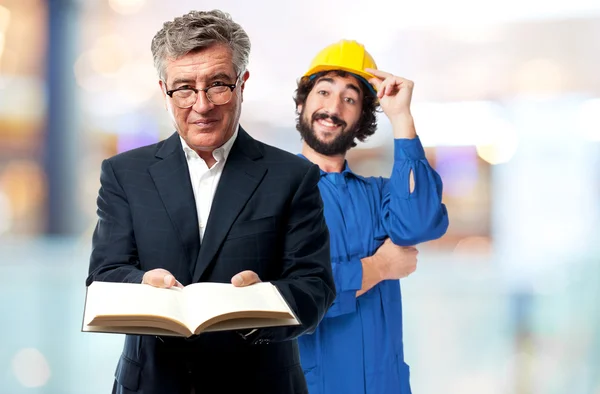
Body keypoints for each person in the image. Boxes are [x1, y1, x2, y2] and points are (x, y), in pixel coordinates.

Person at [86, 10, 336, 394]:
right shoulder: (124, 174)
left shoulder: (292, 176)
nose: (201, 105)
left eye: (217, 84)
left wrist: (263, 301)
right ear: (164, 90)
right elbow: (104, 275)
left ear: (241, 84)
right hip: (152, 383)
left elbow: (315, 286)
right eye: (184, 88)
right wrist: (142, 283)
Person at [293, 40, 449, 394]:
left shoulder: (379, 194)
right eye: (323, 92)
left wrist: (401, 118)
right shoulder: (272, 193)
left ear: (360, 119)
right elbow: (291, 296)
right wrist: (379, 267)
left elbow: (420, 222)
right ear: (303, 103)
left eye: (349, 99)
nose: (333, 107)